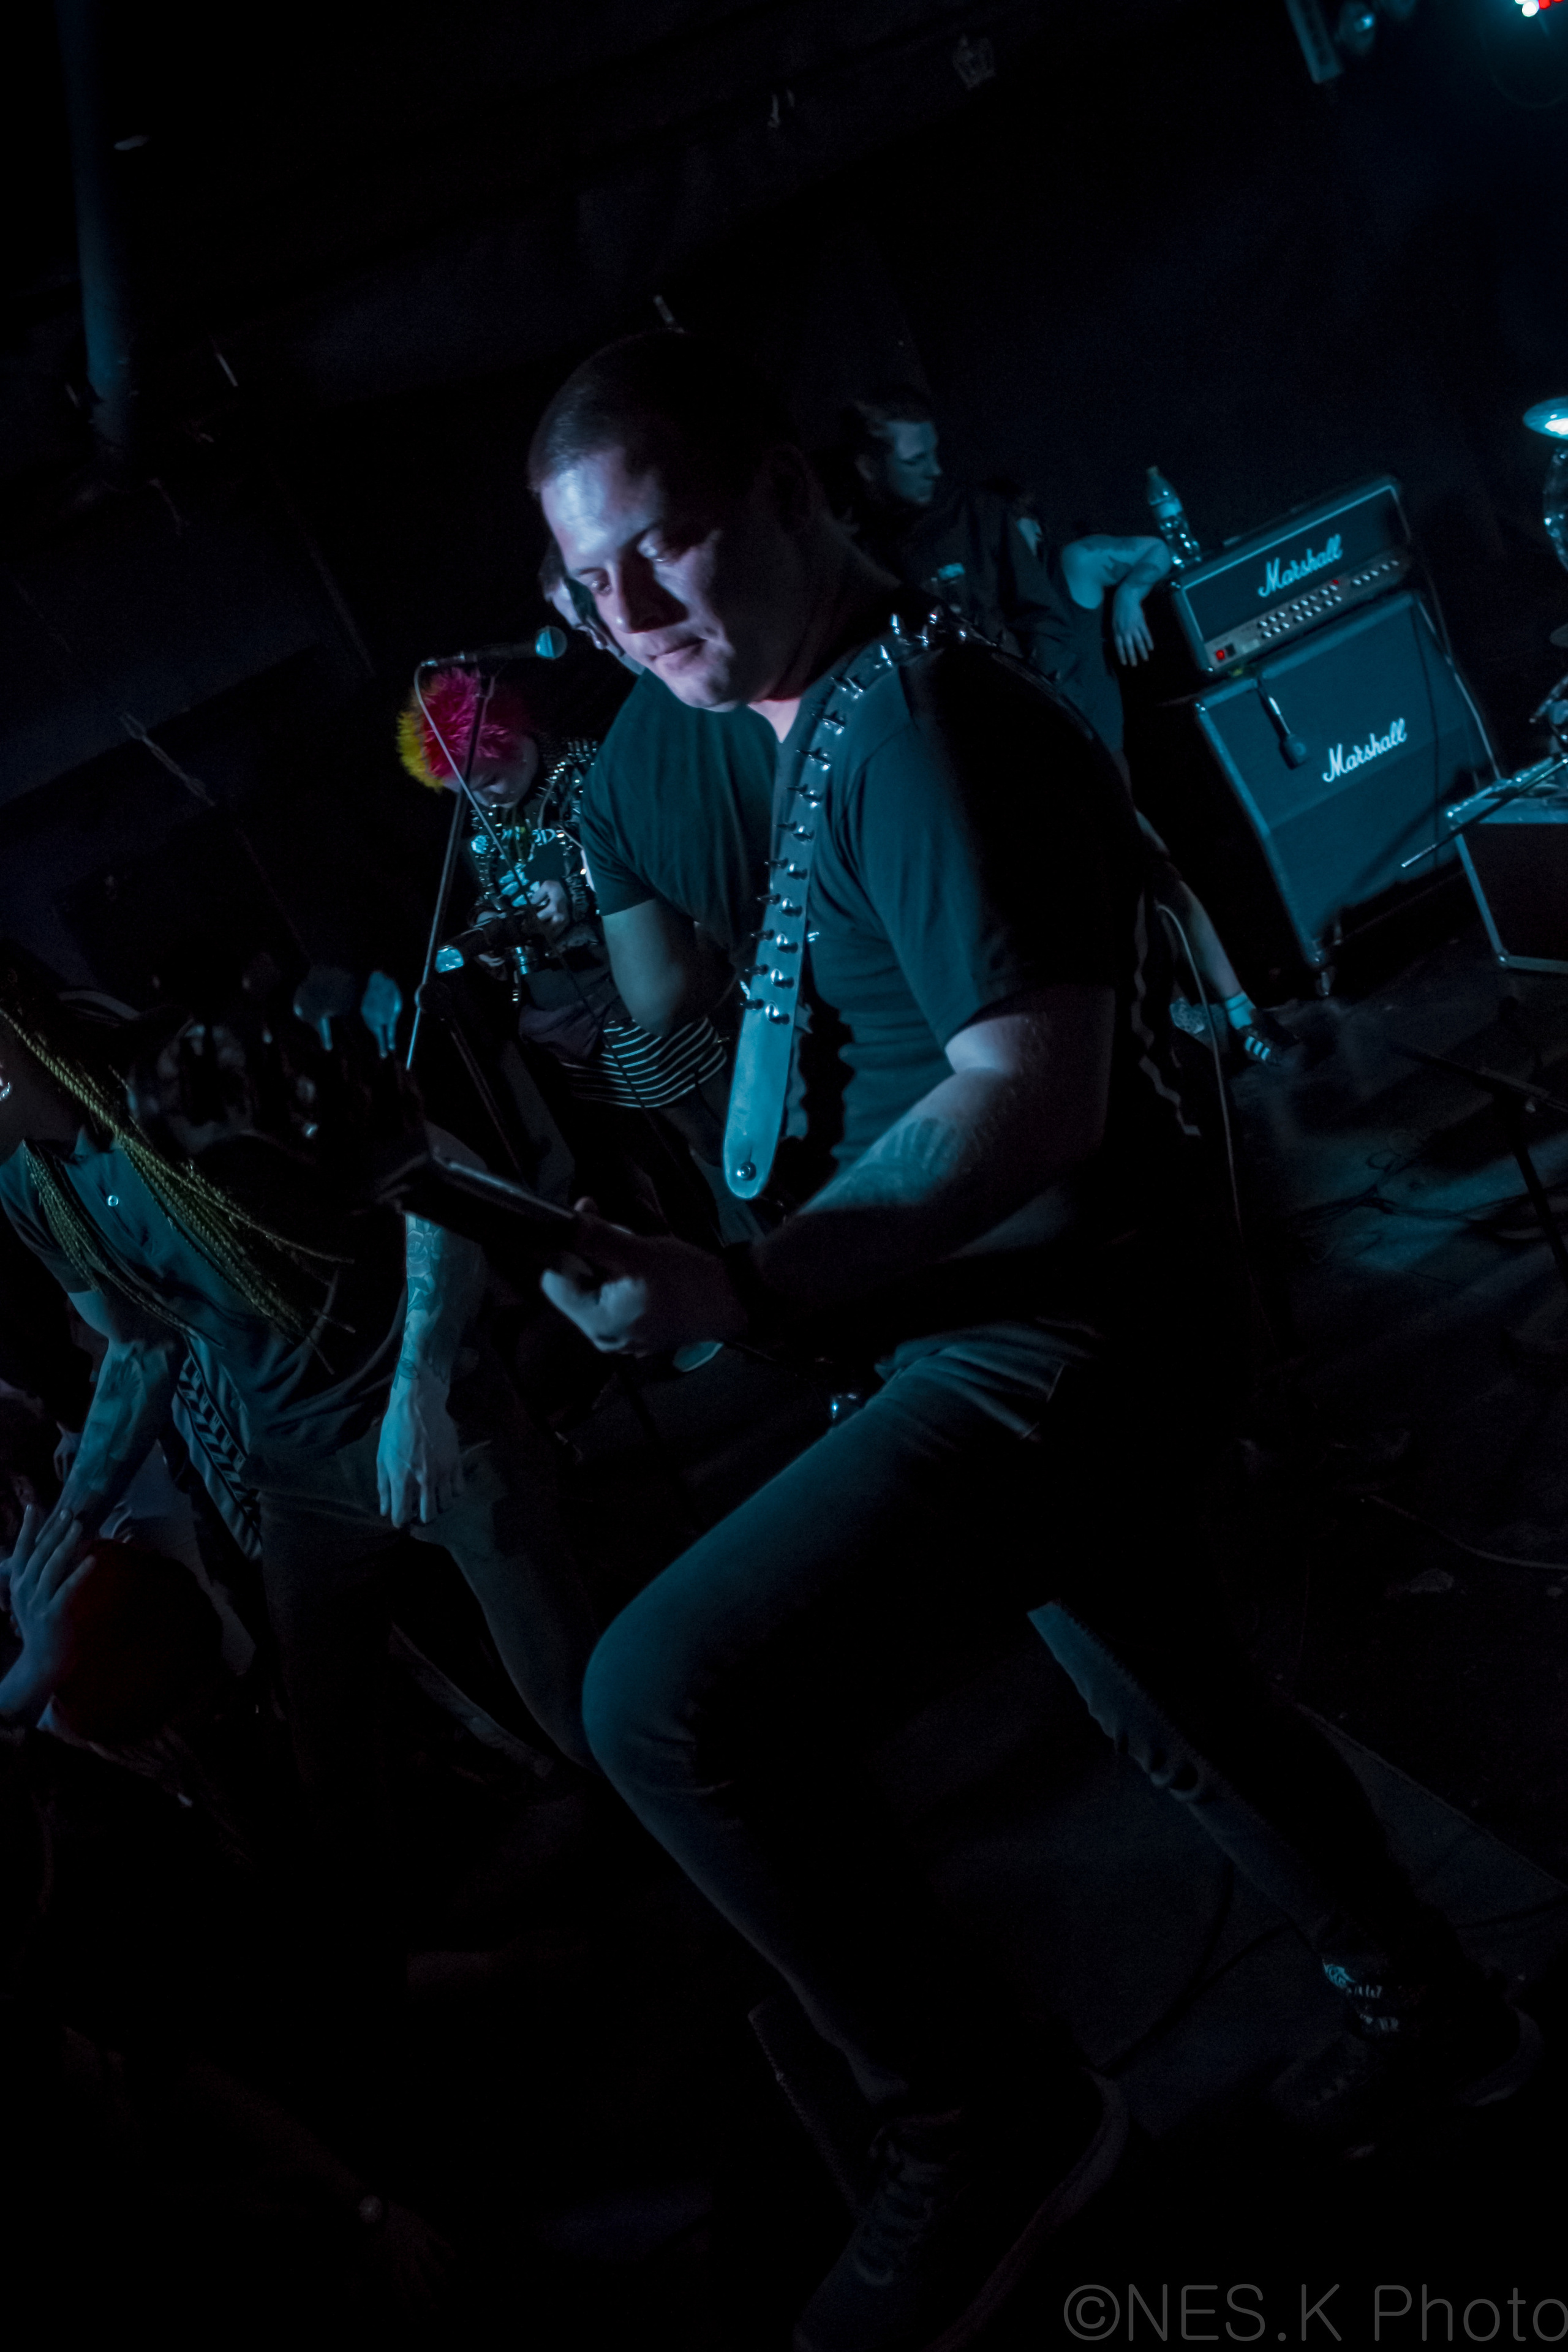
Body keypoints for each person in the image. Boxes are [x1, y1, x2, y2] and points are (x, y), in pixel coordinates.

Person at [527, 332, 1538, 2352]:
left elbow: (1030, 1091)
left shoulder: (923, 722)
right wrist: (674, 1088)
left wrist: (753, 1280)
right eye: (587, 587)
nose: (627, 619)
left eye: (668, 552)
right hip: (969, 1311)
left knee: (664, 1697)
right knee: (1168, 1693)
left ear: (803, 501)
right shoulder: (773, 718)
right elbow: (666, 989)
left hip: (1056, 1335)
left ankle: (977, 2119)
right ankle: (1439, 2011)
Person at [0, 956, 599, 1991]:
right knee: (334, 1767)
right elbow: (142, 1347)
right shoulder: (30, 1186)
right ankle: (418, 2005)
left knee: (575, 1699)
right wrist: (75, 1516)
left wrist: (422, 1392)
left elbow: (436, 1181)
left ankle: (716, 1902)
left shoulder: (178, 1082)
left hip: (424, 1402)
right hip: (302, 1468)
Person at [398, 665, 737, 1231]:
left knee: (704, 1125)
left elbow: (655, 863)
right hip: (566, 1022)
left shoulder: (588, 771)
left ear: (506, 738)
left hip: (630, 989)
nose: (481, 800)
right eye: (465, 794)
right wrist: (491, 937)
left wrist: (574, 893)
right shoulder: (487, 820)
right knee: (645, 1154)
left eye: (486, 782)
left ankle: (763, 1217)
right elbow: (494, 894)